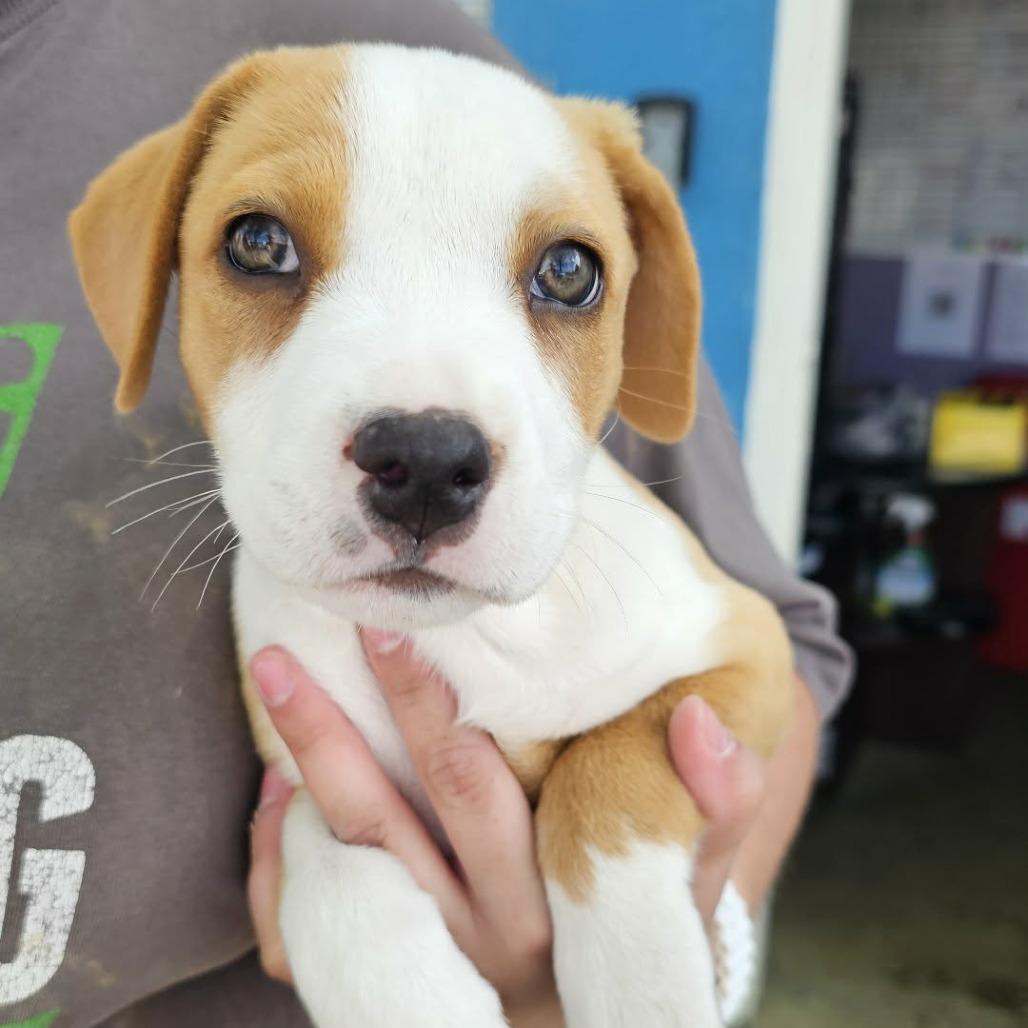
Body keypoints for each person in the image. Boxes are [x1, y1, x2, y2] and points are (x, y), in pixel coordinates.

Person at [0, 0, 852, 1025]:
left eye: (564, 275)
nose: (423, 449)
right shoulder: (278, 591)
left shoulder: (425, 51)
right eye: (264, 247)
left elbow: (770, 653)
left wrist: (619, 885)